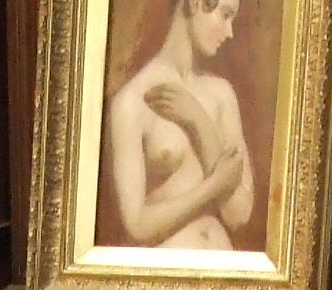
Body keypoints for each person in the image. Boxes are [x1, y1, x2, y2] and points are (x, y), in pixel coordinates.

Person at [104, 0, 253, 250]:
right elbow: (137, 225)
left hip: (225, 274)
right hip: (166, 280)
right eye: (225, 15)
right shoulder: (131, 102)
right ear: (194, 3)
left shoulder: (222, 95)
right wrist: (212, 187)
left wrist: (199, 121)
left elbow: (239, 215)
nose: (230, 32)